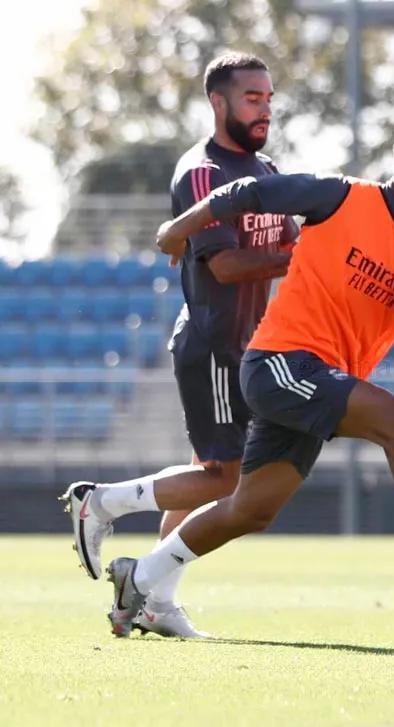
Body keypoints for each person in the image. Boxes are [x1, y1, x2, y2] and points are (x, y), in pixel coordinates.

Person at [104, 119, 394, 638]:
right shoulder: (341, 196)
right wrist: (181, 226)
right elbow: (252, 191)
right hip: (279, 361)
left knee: (250, 510)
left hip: (318, 380)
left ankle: (141, 575)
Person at [60, 52, 297, 638]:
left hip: (248, 347)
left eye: (268, 98)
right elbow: (227, 265)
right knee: (228, 481)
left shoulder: (267, 171)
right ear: (218, 102)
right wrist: (299, 257)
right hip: (217, 343)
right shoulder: (202, 171)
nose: (264, 108)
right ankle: (103, 502)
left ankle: (155, 598)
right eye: (252, 98)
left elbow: (296, 237)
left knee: (209, 472)